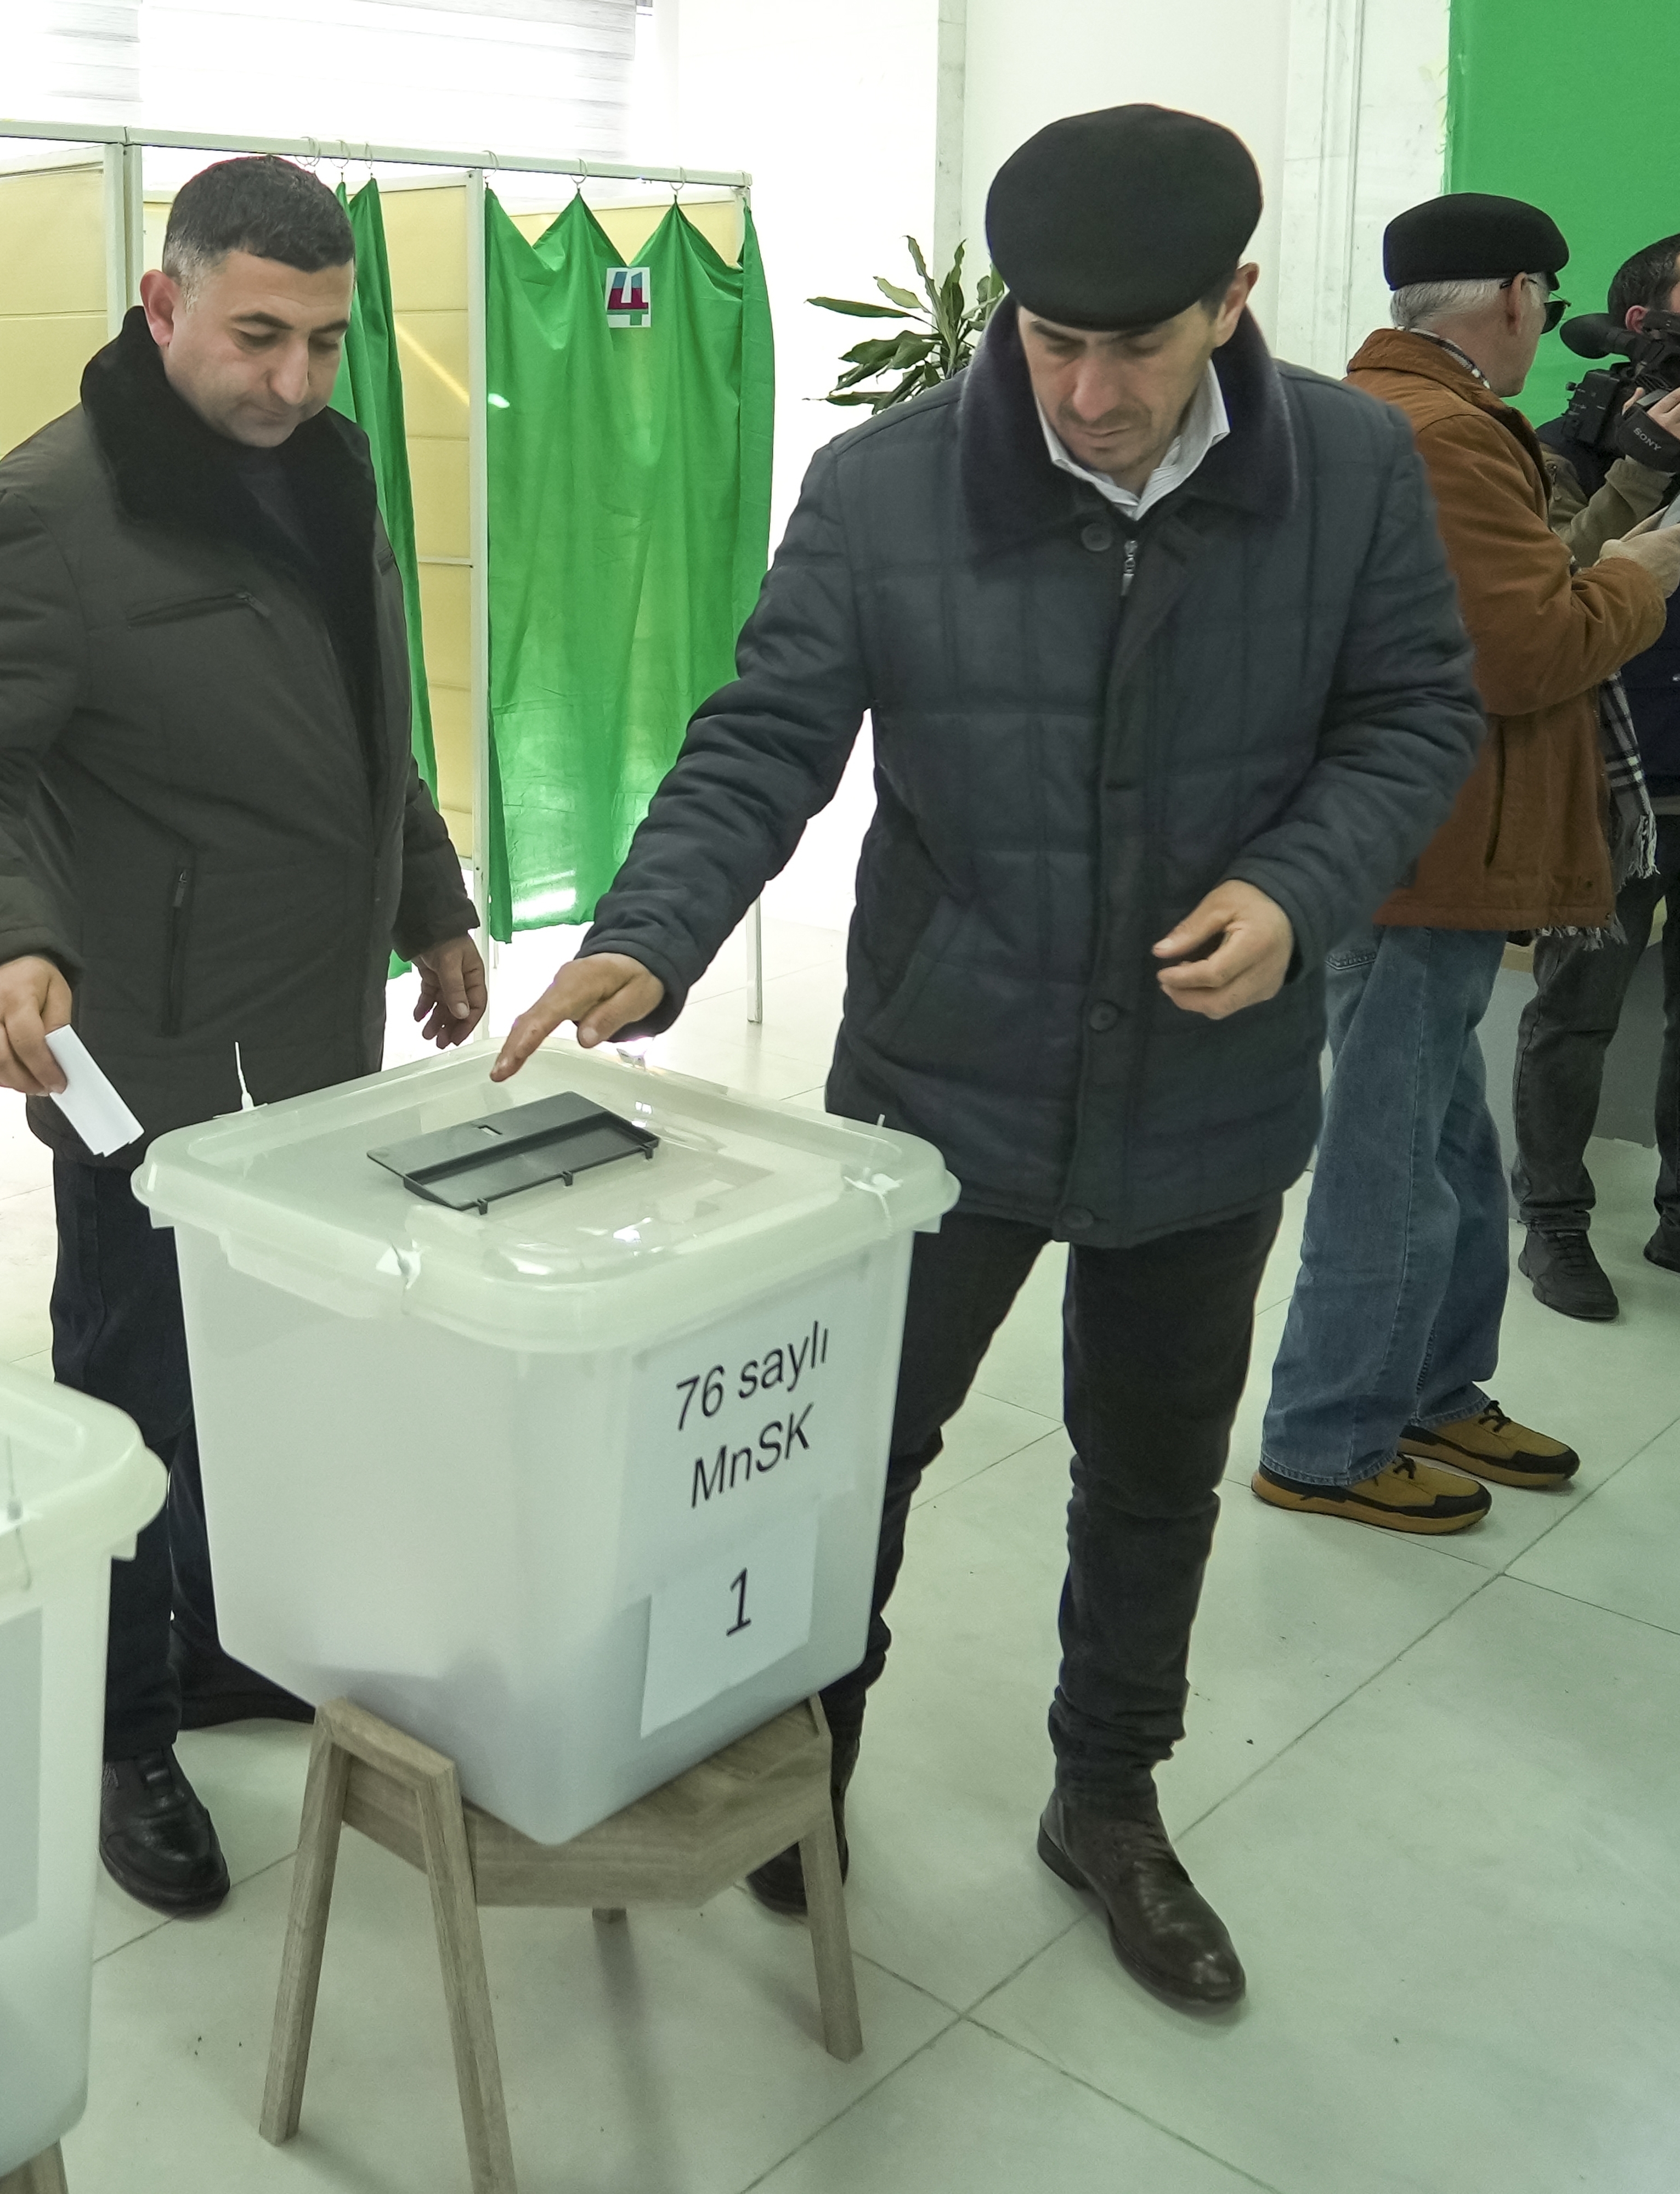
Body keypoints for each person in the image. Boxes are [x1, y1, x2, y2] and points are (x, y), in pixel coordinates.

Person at [489, 106, 1481, 2007]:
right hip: (944, 1084)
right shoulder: (885, 491)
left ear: (1235, 305)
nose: (1091, 394)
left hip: (1212, 1087)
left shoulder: (1350, 471)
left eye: (1139, 347)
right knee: (854, 1457)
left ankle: (1108, 1797)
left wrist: (1299, 888)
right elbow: (765, 736)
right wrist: (647, 936)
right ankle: (810, 1768)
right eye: (1049, 341)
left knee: (1155, 1467)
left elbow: (1413, 714)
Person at [0, 156, 487, 1919]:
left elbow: (370, 722)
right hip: (139, 1056)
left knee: (274, 1376)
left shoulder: (329, 470)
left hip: (310, 1039)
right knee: (139, 1389)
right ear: (162, 304)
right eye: (256, 335)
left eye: (326, 342)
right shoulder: (53, 513)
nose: (292, 380)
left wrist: (425, 902)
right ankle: (123, 1732)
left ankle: (221, 1647)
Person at [1252, 199, 1680, 1531]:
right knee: (1390, 1160)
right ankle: (1325, 1437)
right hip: (1427, 848)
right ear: (1511, 292)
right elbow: (1531, 647)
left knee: (1451, 1154)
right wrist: (1656, 559)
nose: (1557, 324)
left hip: (1432, 843)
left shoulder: (1407, 412)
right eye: (1548, 297)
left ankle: (1433, 1388)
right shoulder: (1440, 436)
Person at [1514, 232, 1680, 1321]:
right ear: (1639, 322)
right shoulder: (1570, 440)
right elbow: (1545, 589)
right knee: (1576, 1014)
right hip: (1615, 775)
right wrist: (1638, 465)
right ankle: (1556, 1224)